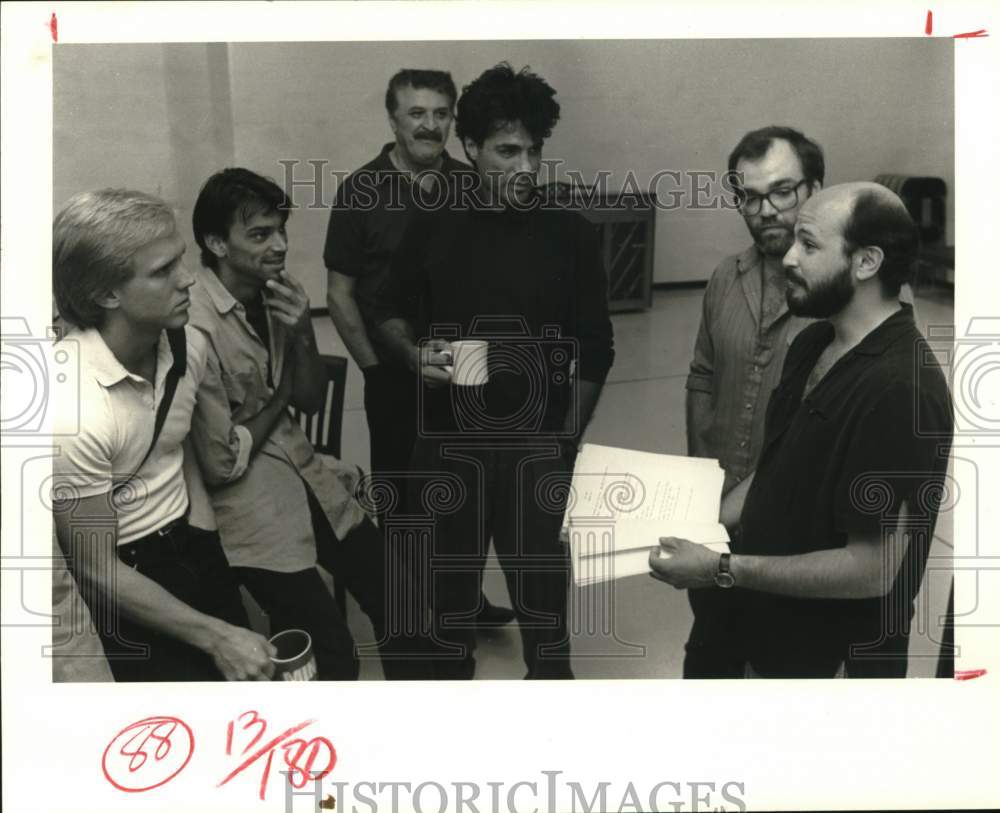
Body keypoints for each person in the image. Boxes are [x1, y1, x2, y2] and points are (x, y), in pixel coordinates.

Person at [652, 183, 953, 679]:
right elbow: (775, 470)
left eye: (809, 246)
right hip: (757, 617)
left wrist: (720, 569)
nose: (789, 257)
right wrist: (690, 523)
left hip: (826, 657)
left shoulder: (901, 389)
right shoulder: (813, 341)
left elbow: (871, 569)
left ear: (866, 263)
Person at [376, 63, 615, 679]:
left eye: (534, 151)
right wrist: (412, 353)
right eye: (508, 151)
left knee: (547, 621)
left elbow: (596, 344)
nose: (526, 167)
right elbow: (389, 310)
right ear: (471, 147)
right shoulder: (433, 223)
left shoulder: (572, 236)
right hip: (449, 443)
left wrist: (565, 440)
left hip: (536, 447)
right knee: (447, 614)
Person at [188, 168, 432, 680]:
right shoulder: (195, 324)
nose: (278, 246)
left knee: (405, 604)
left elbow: (310, 398)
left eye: (281, 230)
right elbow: (222, 461)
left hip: (307, 477)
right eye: (259, 235)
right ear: (216, 244)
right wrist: (278, 401)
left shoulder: (276, 293)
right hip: (249, 511)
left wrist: (301, 331)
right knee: (332, 653)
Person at [51, 188, 275, 682]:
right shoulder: (74, 410)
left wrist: (202, 525)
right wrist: (216, 636)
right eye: (162, 271)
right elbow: (94, 567)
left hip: (191, 540)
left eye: (180, 261)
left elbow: (176, 438)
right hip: (125, 577)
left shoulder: (186, 343)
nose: (188, 280)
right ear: (107, 294)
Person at [324, 68, 513, 628]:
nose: (430, 126)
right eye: (416, 113)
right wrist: (379, 371)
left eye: (440, 114)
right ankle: (411, 618)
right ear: (392, 118)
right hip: (393, 372)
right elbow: (339, 295)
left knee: (463, 497)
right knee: (405, 505)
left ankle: (463, 603)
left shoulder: (471, 183)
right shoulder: (360, 190)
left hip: (464, 377)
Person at [682, 126, 824, 678]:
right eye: (748, 195)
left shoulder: (840, 298)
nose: (765, 210)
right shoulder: (724, 277)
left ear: (816, 188)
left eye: (783, 191)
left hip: (793, 539)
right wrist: (696, 484)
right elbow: (701, 376)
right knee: (710, 665)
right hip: (715, 521)